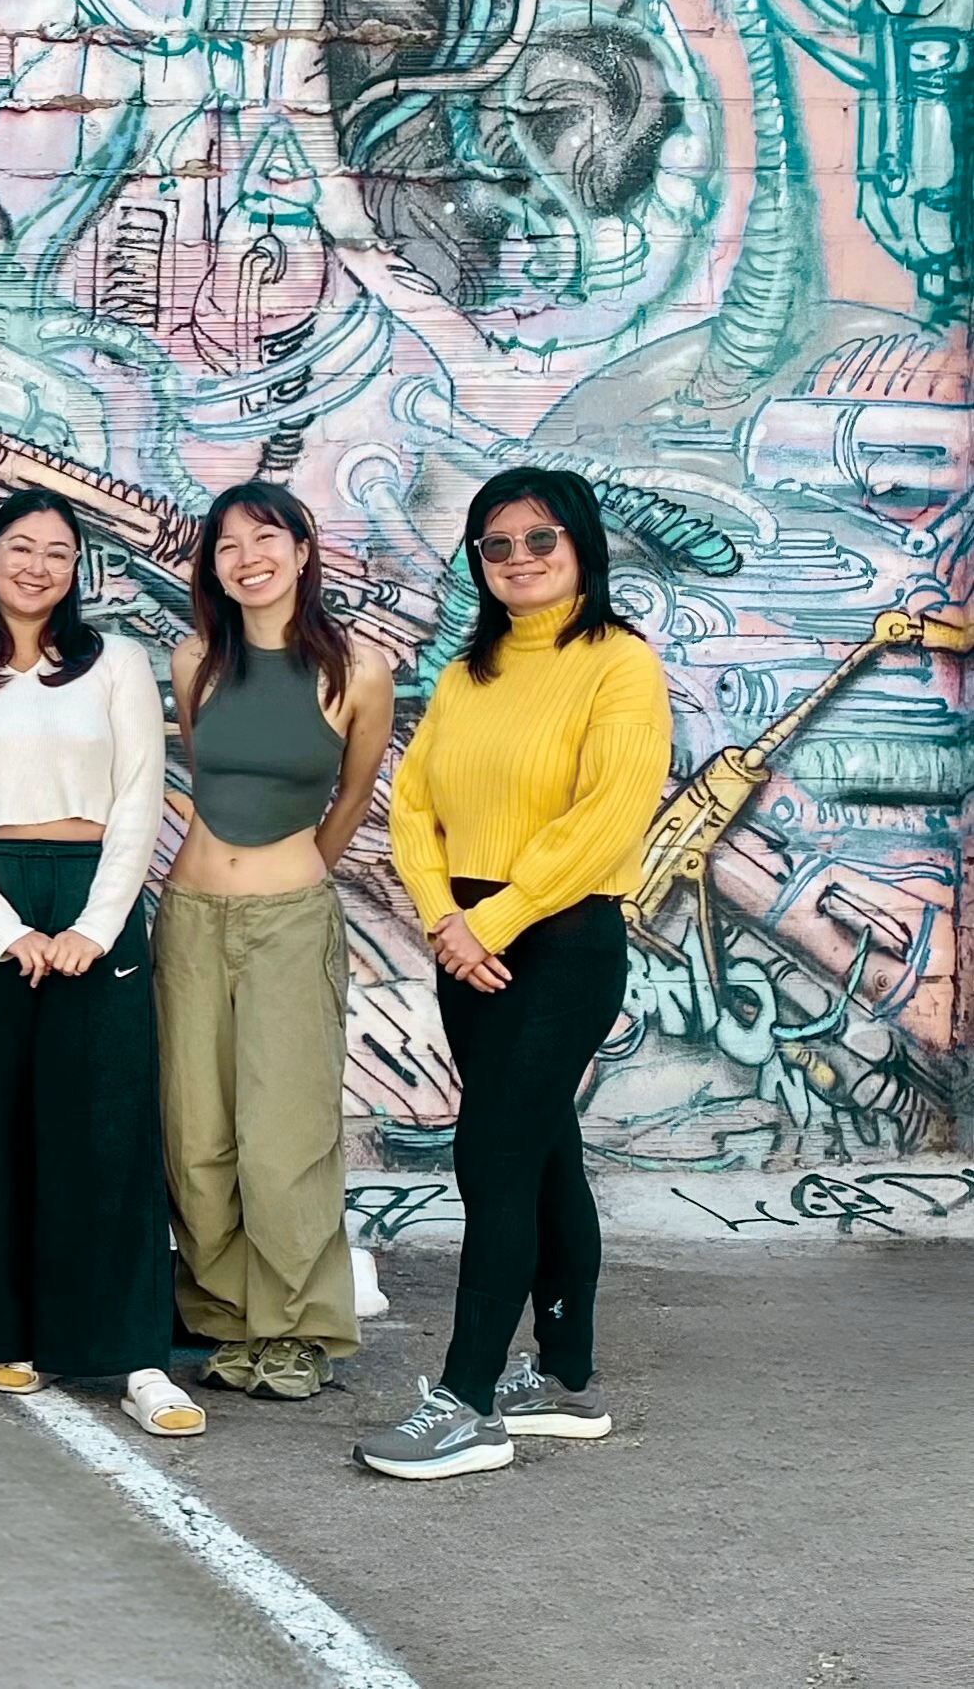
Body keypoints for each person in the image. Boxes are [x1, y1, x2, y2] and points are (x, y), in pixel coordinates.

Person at [357, 468, 669, 1481]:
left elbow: (606, 819)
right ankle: (562, 1377)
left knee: (493, 1155)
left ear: (580, 547)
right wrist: (445, 920)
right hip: (470, 944)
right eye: (497, 545)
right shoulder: (464, 675)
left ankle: (468, 1401)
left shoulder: (619, 665)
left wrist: (488, 919)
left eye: (541, 540)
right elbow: (413, 809)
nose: (521, 559)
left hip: (562, 940)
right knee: (541, 1154)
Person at [0, 487, 198, 1438]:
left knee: (108, 1126)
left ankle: (137, 1355)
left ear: (78, 571)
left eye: (58, 553)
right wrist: (6, 931)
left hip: (91, 897)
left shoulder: (116, 666)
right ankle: (9, 1332)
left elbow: (141, 800)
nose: (37, 566)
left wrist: (95, 926)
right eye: (19, 548)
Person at [160, 481, 394, 1403]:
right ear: (211, 567)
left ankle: (296, 1330)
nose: (247, 556)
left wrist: (296, 873)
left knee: (283, 1136)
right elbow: (210, 779)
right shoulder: (195, 662)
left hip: (290, 924)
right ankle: (225, 1319)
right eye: (227, 545)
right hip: (187, 920)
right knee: (196, 1135)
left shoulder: (357, 674)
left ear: (303, 550)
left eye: (266, 537)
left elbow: (349, 800)